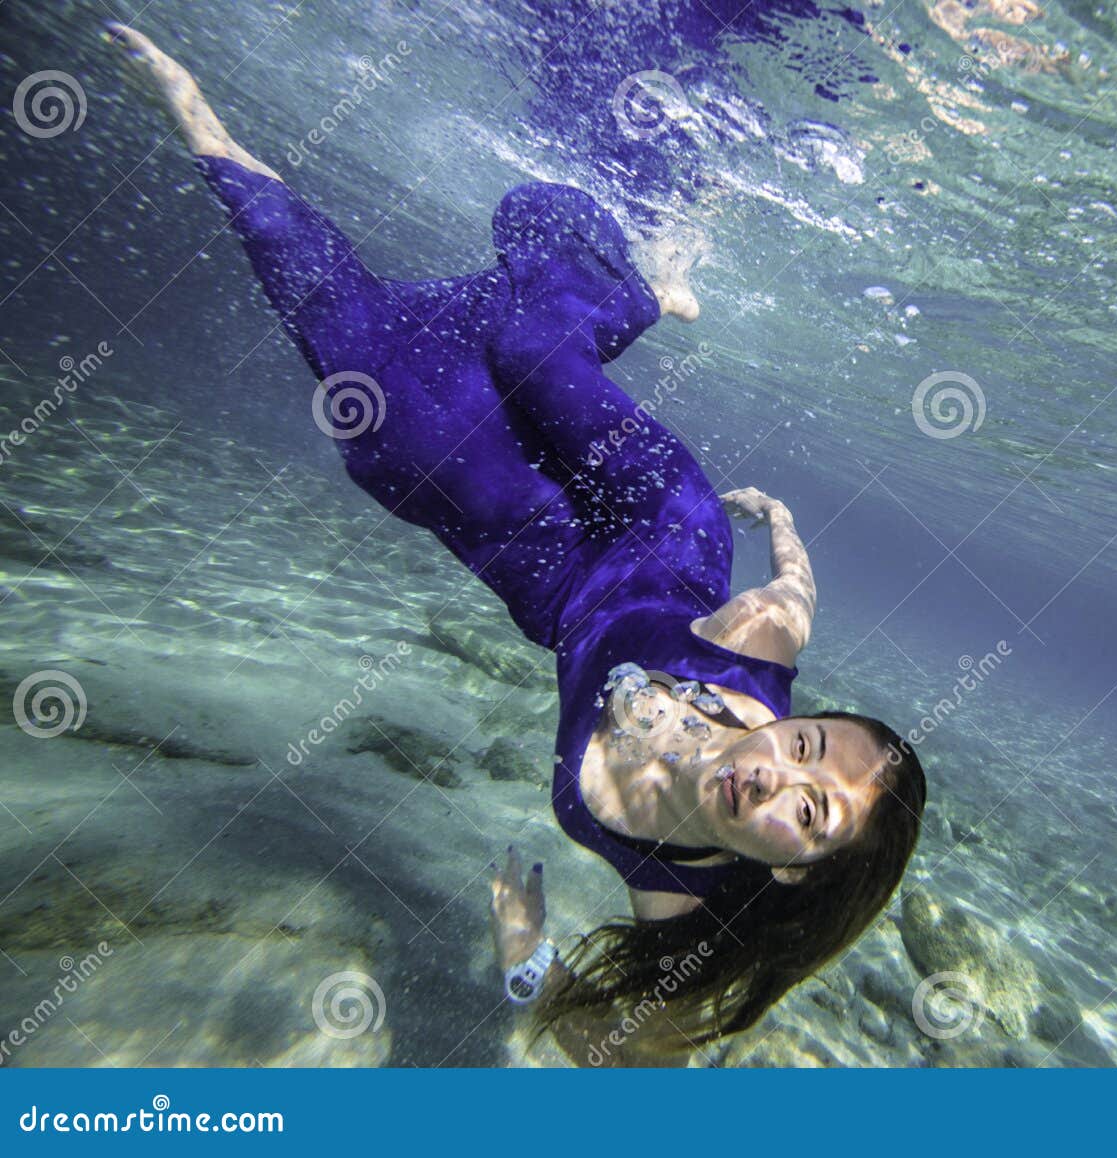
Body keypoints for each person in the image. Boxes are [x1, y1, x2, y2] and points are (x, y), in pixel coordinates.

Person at [106, 24, 926, 1062]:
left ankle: (209, 140)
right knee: (532, 331)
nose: (775, 776)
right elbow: (796, 597)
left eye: (809, 816)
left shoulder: (671, 888)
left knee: (384, 429)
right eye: (805, 748)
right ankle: (642, 266)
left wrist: (524, 955)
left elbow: (613, 1048)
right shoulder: (754, 658)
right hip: (655, 523)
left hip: (551, 586)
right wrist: (783, 527)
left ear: (799, 871)